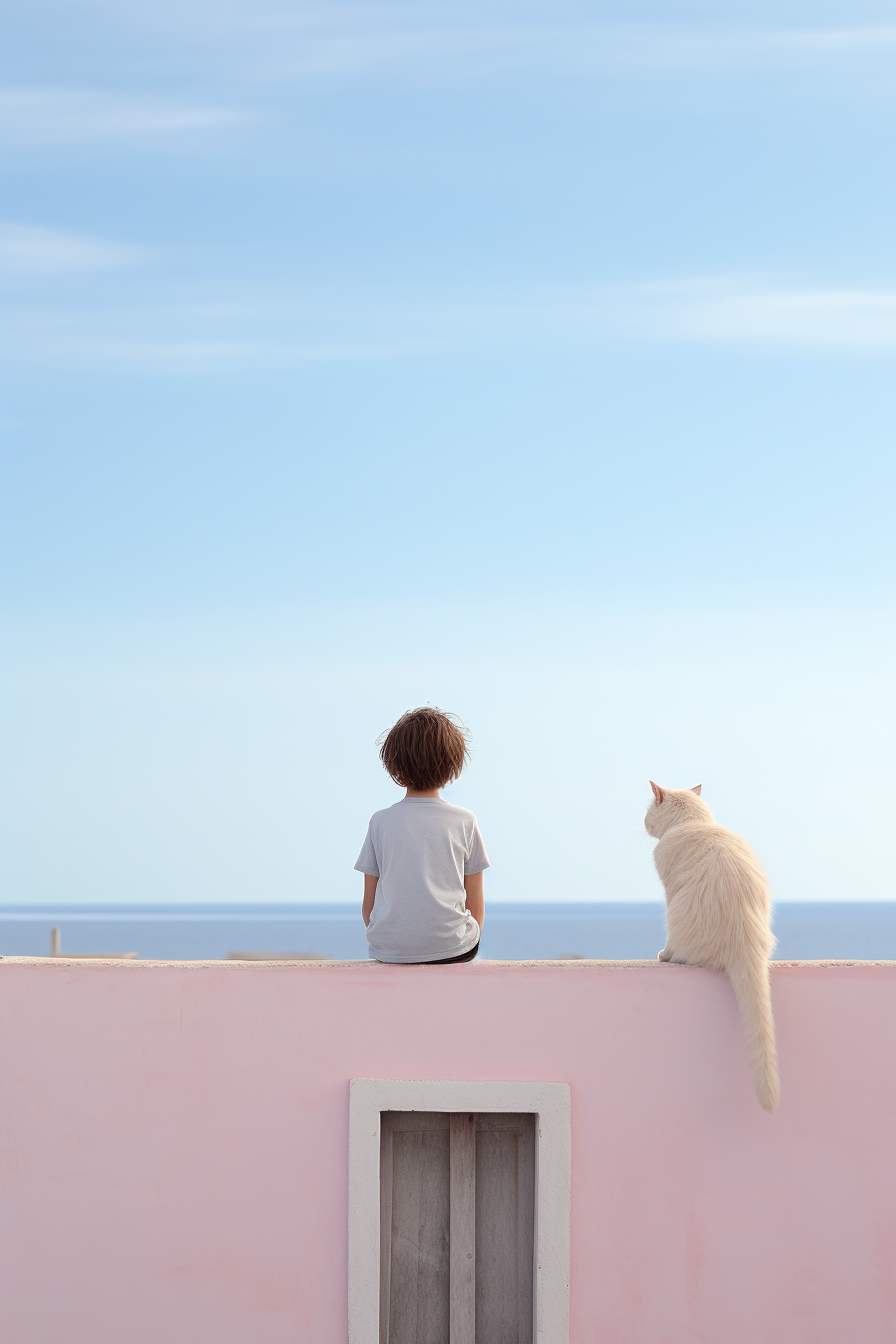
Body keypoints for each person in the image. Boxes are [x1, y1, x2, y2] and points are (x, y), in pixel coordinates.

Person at [354, 707, 489, 964]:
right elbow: (476, 906)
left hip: (389, 948)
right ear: (452, 766)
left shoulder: (379, 822)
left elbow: (368, 908)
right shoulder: (465, 820)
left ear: (395, 767)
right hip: (453, 948)